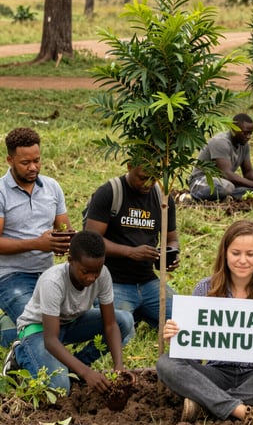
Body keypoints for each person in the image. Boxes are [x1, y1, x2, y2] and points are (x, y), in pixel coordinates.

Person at [156, 220, 253, 425]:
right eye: (236, 253)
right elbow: (194, 356)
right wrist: (178, 338)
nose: (242, 260)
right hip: (216, 373)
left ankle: (207, 405)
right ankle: (243, 411)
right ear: (225, 253)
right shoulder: (204, 288)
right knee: (167, 363)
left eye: (250, 254)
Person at [4, 231, 134, 395]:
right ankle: (20, 353)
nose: (91, 278)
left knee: (125, 320)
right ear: (70, 261)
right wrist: (86, 373)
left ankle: (75, 366)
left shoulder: (103, 275)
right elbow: (51, 340)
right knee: (60, 389)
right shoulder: (53, 282)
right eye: (85, 272)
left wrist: (119, 368)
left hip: (70, 323)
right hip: (39, 330)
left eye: (97, 271)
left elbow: (111, 324)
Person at [0, 127, 73, 347]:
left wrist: (64, 241)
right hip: (11, 277)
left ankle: (9, 331)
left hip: (48, 274)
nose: (33, 167)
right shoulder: (1, 191)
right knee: (40, 326)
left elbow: (64, 228)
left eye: (37, 160)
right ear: (10, 160)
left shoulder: (52, 188)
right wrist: (37, 243)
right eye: (25, 163)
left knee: (78, 315)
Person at [84, 164, 180, 329]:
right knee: (117, 327)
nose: (148, 184)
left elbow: (172, 239)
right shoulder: (110, 192)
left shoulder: (162, 197)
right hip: (113, 282)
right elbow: (91, 241)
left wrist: (170, 254)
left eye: (153, 178)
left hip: (148, 282)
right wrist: (129, 252)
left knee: (184, 321)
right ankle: (133, 313)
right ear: (129, 167)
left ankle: (140, 310)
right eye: (142, 178)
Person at [188, 113, 253, 201]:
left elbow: (248, 172)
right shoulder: (220, 142)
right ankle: (190, 197)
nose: (248, 137)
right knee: (227, 187)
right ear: (233, 129)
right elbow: (226, 174)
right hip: (201, 180)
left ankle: (224, 197)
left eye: (250, 134)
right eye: (245, 133)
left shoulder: (244, 145)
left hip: (224, 182)